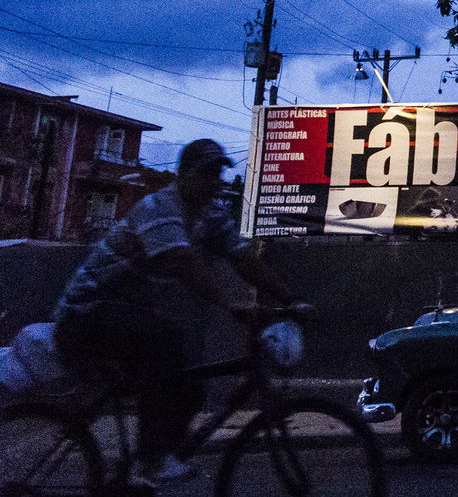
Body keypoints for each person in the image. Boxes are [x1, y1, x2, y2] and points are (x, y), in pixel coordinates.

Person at [53, 139, 299, 486]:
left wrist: (291, 299)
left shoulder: (210, 213)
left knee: (190, 386)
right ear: (182, 174)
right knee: (164, 339)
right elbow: (180, 262)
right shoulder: (160, 207)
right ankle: (150, 462)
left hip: (126, 316)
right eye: (205, 173)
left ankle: (152, 463)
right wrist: (231, 304)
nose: (214, 181)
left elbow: (243, 257)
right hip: (86, 314)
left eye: (218, 174)